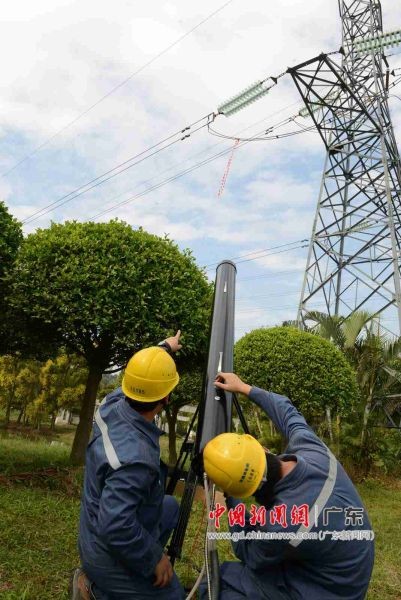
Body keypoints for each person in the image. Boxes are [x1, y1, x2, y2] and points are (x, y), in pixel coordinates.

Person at [202, 372, 374, 600]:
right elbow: (285, 408)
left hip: (330, 590)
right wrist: (244, 387)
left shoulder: (282, 526)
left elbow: (249, 554)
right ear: (262, 449)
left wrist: (231, 497)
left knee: (217, 583)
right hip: (347, 569)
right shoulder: (313, 450)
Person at [72, 331, 185, 600]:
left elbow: (140, 378)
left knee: (169, 507)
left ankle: (128, 574)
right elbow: (116, 525)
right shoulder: (136, 458)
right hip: (103, 550)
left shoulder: (112, 403)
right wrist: (154, 556)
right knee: (173, 595)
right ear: (166, 398)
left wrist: (164, 348)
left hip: (94, 523)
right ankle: (94, 589)